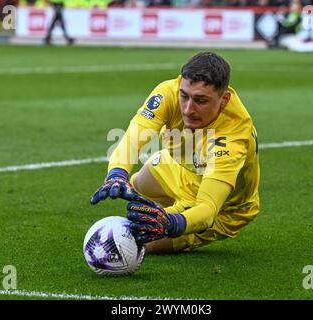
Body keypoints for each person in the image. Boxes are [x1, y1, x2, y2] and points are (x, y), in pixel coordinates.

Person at [90, 52, 260, 254]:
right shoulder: (168, 92)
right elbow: (132, 139)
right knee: (139, 183)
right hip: (183, 170)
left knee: (137, 243)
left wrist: (171, 222)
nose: (188, 109)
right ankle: (165, 212)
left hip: (223, 206)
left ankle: (173, 216)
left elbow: (207, 209)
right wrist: (116, 174)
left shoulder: (232, 137)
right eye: (184, 96)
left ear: (224, 99)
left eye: (201, 100)